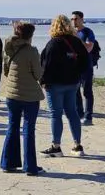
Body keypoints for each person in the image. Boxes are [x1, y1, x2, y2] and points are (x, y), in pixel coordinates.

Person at [39, 14, 89, 157]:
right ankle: (77, 145)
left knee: (56, 114)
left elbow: (46, 65)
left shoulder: (53, 43)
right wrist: (77, 76)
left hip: (55, 84)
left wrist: (43, 81)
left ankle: (56, 146)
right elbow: (85, 62)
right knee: (72, 113)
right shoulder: (76, 42)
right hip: (72, 83)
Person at [0, 22, 45, 176]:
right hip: (30, 96)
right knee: (28, 130)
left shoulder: (9, 48)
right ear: (30, 36)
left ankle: (8, 163)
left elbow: (5, 69)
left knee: (12, 127)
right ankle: (30, 166)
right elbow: (38, 75)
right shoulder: (32, 51)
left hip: (12, 94)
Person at [72, 10, 98, 125]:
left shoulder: (87, 32)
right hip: (74, 67)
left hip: (86, 66)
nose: (74, 21)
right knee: (75, 91)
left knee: (87, 91)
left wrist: (77, 38)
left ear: (82, 19)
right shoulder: (70, 33)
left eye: (76, 19)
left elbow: (88, 48)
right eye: (72, 19)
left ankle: (88, 117)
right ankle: (79, 114)